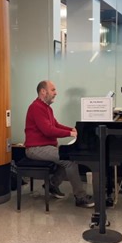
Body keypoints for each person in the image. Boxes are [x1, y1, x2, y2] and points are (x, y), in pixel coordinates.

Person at [24, 80, 94, 208]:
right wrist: (70, 134)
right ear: (43, 91)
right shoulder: (35, 107)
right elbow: (48, 130)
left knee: (68, 156)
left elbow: (55, 125)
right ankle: (80, 197)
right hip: (35, 149)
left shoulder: (46, 108)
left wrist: (72, 130)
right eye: (53, 90)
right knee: (69, 160)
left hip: (45, 147)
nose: (56, 93)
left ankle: (52, 184)